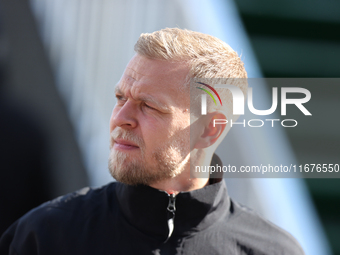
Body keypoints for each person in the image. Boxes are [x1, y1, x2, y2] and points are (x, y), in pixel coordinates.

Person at [0, 28, 304, 255]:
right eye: (121, 98)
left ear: (210, 130)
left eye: (149, 106)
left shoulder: (272, 250)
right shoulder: (43, 236)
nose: (122, 117)